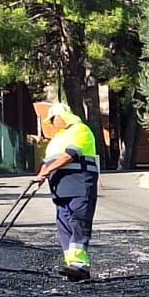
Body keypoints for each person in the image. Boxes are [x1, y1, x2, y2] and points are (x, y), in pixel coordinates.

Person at [32, 103, 100, 281]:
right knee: (64, 226)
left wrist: (46, 172)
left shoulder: (80, 130)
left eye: (54, 119)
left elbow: (70, 155)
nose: (53, 123)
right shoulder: (56, 140)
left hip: (79, 185)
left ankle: (80, 265)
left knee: (78, 221)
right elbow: (48, 162)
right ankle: (72, 265)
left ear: (63, 116)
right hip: (60, 190)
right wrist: (40, 175)